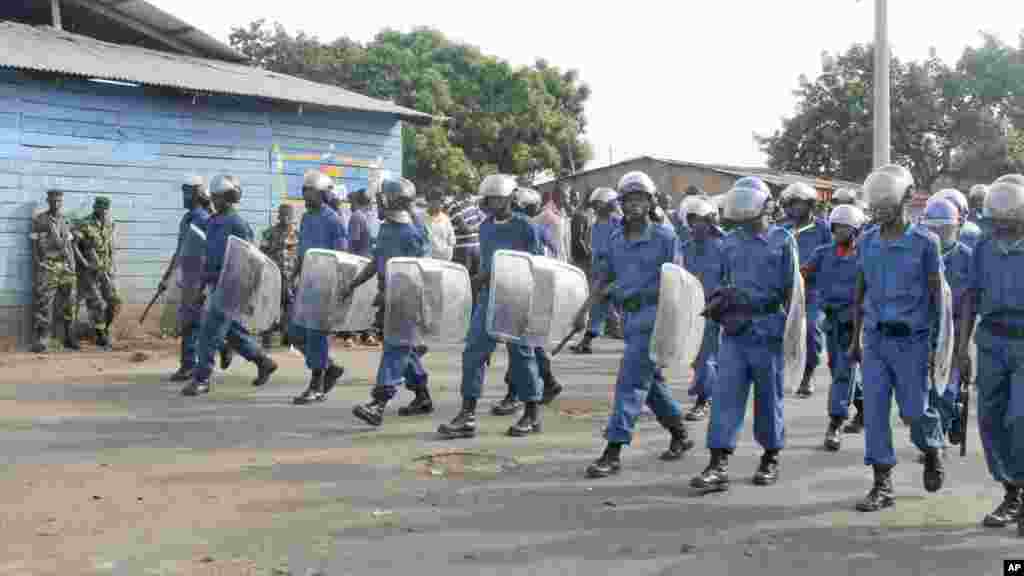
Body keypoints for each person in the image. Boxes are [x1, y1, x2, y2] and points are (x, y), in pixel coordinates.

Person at [573, 171, 693, 478]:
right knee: (650, 384)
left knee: (629, 384)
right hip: (629, 318)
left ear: (651, 202)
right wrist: (584, 311)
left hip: (656, 317)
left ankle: (612, 451)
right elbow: (604, 279)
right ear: (620, 203)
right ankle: (679, 432)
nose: (634, 204)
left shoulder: (666, 238)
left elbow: (679, 284)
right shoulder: (615, 239)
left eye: (640, 198)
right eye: (628, 199)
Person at [848, 165, 947, 512]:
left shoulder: (926, 243)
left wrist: (940, 347)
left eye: (885, 203)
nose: (879, 210)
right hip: (875, 340)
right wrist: (855, 338)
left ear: (906, 199)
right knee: (874, 412)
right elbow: (860, 291)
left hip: (913, 342)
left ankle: (932, 448)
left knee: (914, 412)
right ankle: (882, 483)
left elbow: (938, 297)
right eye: (874, 204)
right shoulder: (867, 242)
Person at [690, 177, 797, 493]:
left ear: (764, 205)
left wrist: (793, 335)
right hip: (735, 332)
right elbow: (722, 283)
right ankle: (718, 462)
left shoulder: (782, 241)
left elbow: (793, 292)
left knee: (768, 399)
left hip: (769, 331)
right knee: (726, 397)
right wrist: (719, 305)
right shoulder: (729, 243)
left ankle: (770, 457)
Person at [437, 174, 546, 439]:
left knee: (521, 356)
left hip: (517, 296)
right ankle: (467, 415)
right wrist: (471, 283)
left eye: (499, 197)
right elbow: (487, 266)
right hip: (489, 297)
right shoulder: (485, 227)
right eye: (490, 198)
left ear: (511, 198)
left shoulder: (526, 226)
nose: (494, 202)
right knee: (473, 352)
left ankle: (532, 414)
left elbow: (535, 265)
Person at [956, 175, 1024, 535]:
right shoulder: (983, 247)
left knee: (1020, 419)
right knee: (990, 420)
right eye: (994, 218)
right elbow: (969, 296)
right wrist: (961, 348)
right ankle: (1012, 492)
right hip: (991, 344)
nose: (999, 225)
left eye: (1006, 217)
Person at [347, 173, 434, 425]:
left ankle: (378, 403)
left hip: (406, 301)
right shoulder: (386, 228)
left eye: (381, 199)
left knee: (395, 349)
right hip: (389, 300)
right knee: (402, 350)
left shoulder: (412, 234)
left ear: (391, 201)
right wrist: (354, 284)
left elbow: (419, 274)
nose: (378, 203)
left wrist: (391, 293)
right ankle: (422, 396)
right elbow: (377, 261)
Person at [181, 175, 278, 396]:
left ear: (231, 197)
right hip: (216, 283)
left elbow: (251, 259)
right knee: (232, 333)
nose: (215, 201)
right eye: (213, 197)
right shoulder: (212, 222)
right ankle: (263, 361)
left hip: (233, 286)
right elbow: (208, 255)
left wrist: (250, 291)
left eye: (220, 197)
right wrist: (202, 286)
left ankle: (202, 378)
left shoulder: (238, 224)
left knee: (208, 332)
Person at [490, 186, 564, 417]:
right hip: (530, 290)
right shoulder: (536, 228)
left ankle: (513, 395)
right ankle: (549, 381)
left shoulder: (530, 229)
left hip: (528, 291)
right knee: (529, 344)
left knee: (519, 346)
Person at [801, 204, 868, 451]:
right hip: (832, 321)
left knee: (843, 372)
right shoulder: (822, 253)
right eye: (836, 226)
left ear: (857, 230)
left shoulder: (865, 255)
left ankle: (835, 423)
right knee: (838, 369)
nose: (839, 231)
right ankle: (864, 408)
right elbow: (802, 274)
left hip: (855, 322)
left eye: (845, 227)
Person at [290, 170, 349, 405]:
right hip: (306, 283)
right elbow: (303, 251)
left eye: (310, 191)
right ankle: (330, 368)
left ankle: (316, 385)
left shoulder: (333, 219)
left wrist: (337, 286)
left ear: (323, 194)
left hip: (325, 285)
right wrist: (293, 276)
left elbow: (342, 255)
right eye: (304, 190)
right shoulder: (305, 218)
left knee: (316, 335)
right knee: (295, 334)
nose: (306, 195)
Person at [920, 197, 971, 448]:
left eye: (944, 228)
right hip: (925, 329)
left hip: (955, 330)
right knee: (926, 390)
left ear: (956, 227)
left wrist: (965, 344)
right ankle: (935, 440)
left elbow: (974, 302)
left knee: (947, 390)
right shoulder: (920, 254)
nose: (939, 234)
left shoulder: (967, 257)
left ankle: (949, 418)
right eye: (933, 228)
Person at [780, 182, 831, 398]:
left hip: (813, 292)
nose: (795, 209)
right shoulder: (781, 229)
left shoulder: (824, 229)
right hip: (786, 291)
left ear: (811, 205)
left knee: (810, 330)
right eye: (792, 204)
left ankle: (807, 374)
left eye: (800, 204)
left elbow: (832, 256)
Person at [679, 196, 725, 422]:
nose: (697, 225)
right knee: (697, 357)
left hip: (714, 309)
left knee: (705, 357)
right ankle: (710, 392)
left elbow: (729, 279)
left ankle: (703, 400)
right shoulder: (684, 248)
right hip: (690, 308)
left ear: (710, 222)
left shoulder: (722, 247)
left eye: (702, 220)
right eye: (693, 220)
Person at [162, 176, 212, 381]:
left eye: (187, 193)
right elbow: (180, 250)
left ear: (198, 195)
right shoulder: (187, 218)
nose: (184, 197)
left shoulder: (203, 218)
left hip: (198, 279)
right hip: (187, 279)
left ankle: (190, 366)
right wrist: (167, 276)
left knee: (193, 323)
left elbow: (209, 250)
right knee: (190, 322)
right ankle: (190, 364)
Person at [572, 187, 623, 354]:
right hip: (601, 269)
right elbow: (594, 248)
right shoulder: (595, 225)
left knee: (623, 305)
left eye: (599, 204)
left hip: (617, 268)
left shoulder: (618, 222)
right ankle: (587, 341)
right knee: (598, 306)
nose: (595, 208)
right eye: (595, 205)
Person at [30, 189, 78, 353]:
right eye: (53, 201)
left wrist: (72, 266)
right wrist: (39, 264)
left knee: (70, 302)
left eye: (59, 201)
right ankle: (43, 339)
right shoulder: (40, 220)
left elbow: (70, 246)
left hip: (65, 267)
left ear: (62, 202)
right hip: (48, 266)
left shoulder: (66, 220)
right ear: (48, 201)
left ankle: (69, 337)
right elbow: (35, 246)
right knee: (44, 303)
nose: (56, 204)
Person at [74, 196, 120, 349]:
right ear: (96, 208)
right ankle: (100, 336)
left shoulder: (109, 224)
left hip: (106, 270)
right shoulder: (85, 224)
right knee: (97, 303)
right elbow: (74, 245)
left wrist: (112, 266)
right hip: (90, 272)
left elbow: (111, 247)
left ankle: (103, 329)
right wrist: (85, 263)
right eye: (102, 208)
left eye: (107, 209)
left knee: (114, 301)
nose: (105, 211)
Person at [259, 204, 298, 349]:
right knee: (270, 306)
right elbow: (261, 252)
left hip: (290, 276)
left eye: (288, 215)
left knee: (289, 306)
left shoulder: (297, 234)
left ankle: (287, 336)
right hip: (273, 276)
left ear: (292, 217)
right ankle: (267, 337)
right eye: (283, 214)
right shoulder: (269, 233)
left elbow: (300, 255)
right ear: (278, 215)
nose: (285, 217)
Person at [348, 186, 381, 347]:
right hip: (372, 261)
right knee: (367, 301)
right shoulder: (372, 217)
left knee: (357, 300)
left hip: (359, 262)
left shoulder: (356, 217)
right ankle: (368, 333)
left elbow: (353, 242)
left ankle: (353, 334)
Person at [427, 189, 456, 261]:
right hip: (428, 261)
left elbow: (451, 240)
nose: (442, 205)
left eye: (442, 202)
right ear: (431, 201)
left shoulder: (445, 219)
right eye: (440, 201)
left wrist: (448, 257)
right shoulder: (421, 219)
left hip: (444, 261)